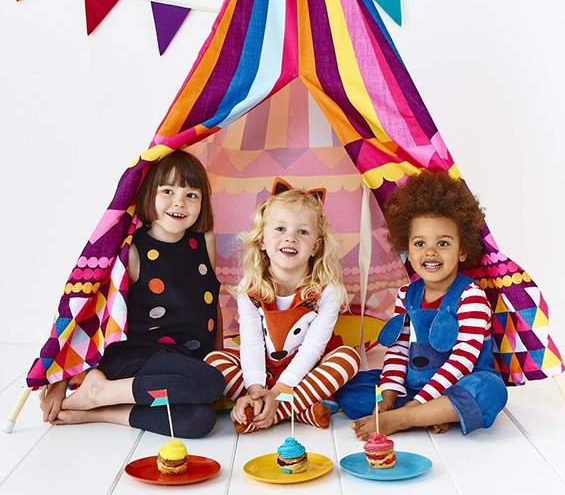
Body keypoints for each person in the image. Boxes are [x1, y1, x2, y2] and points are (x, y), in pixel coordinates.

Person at [39, 150, 226, 437]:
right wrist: (59, 383)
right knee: (210, 382)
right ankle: (103, 387)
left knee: (199, 420)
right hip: (136, 357)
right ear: (149, 194)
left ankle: (100, 405)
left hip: (182, 363)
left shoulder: (204, 241)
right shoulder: (132, 251)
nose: (179, 202)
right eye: (168, 191)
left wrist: (219, 357)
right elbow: (84, 312)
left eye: (192, 195)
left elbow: (212, 305)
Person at [335, 170, 508, 438]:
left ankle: (408, 418)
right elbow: (398, 349)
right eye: (419, 243)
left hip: (459, 382)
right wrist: (389, 395)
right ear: (407, 247)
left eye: (443, 243)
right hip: (416, 387)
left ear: (462, 250)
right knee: (354, 388)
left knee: (491, 391)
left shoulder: (470, 296)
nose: (430, 252)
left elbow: (463, 360)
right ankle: (430, 415)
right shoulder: (408, 293)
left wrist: (413, 407)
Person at [205, 180, 360, 432]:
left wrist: (278, 394)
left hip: (308, 369)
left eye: (303, 232)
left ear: (315, 247)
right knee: (213, 361)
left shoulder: (325, 290)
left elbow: (313, 347)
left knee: (348, 358)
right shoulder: (251, 286)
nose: (291, 237)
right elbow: (252, 342)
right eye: (280, 228)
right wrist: (256, 388)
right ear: (262, 240)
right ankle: (288, 408)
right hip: (263, 370)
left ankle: (273, 412)